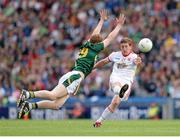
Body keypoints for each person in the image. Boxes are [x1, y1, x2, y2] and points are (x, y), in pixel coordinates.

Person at [17, 9, 126, 119]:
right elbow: (110, 38)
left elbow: (95, 34)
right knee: (53, 95)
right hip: (76, 76)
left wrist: (102, 20)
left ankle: (29, 106)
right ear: (97, 44)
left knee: (56, 105)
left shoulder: (87, 44)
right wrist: (119, 26)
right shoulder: (95, 48)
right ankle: (28, 94)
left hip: (74, 75)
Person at [93, 37, 142, 127]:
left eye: (126, 46)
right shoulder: (115, 55)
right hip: (115, 77)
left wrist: (138, 62)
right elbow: (104, 62)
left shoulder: (134, 57)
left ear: (130, 47)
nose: (124, 49)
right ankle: (119, 91)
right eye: (122, 47)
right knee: (117, 86)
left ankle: (99, 120)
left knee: (115, 103)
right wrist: (93, 67)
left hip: (127, 81)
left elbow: (138, 62)